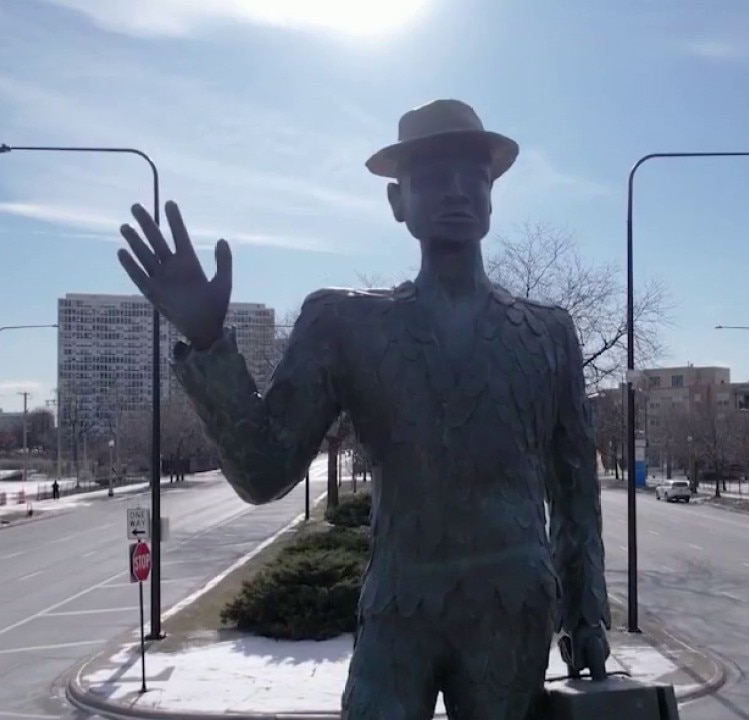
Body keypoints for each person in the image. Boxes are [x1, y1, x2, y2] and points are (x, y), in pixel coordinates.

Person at [116, 99, 609, 720]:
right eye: (433, 177)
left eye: (474, 177)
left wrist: (586, 614)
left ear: (492, 196)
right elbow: (264, 472)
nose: (458, 191)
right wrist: (210, 341)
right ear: (398, 202)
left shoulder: (547, 335)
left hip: (510, 613)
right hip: (399, 611)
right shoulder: (345, 325)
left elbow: (574, 489)